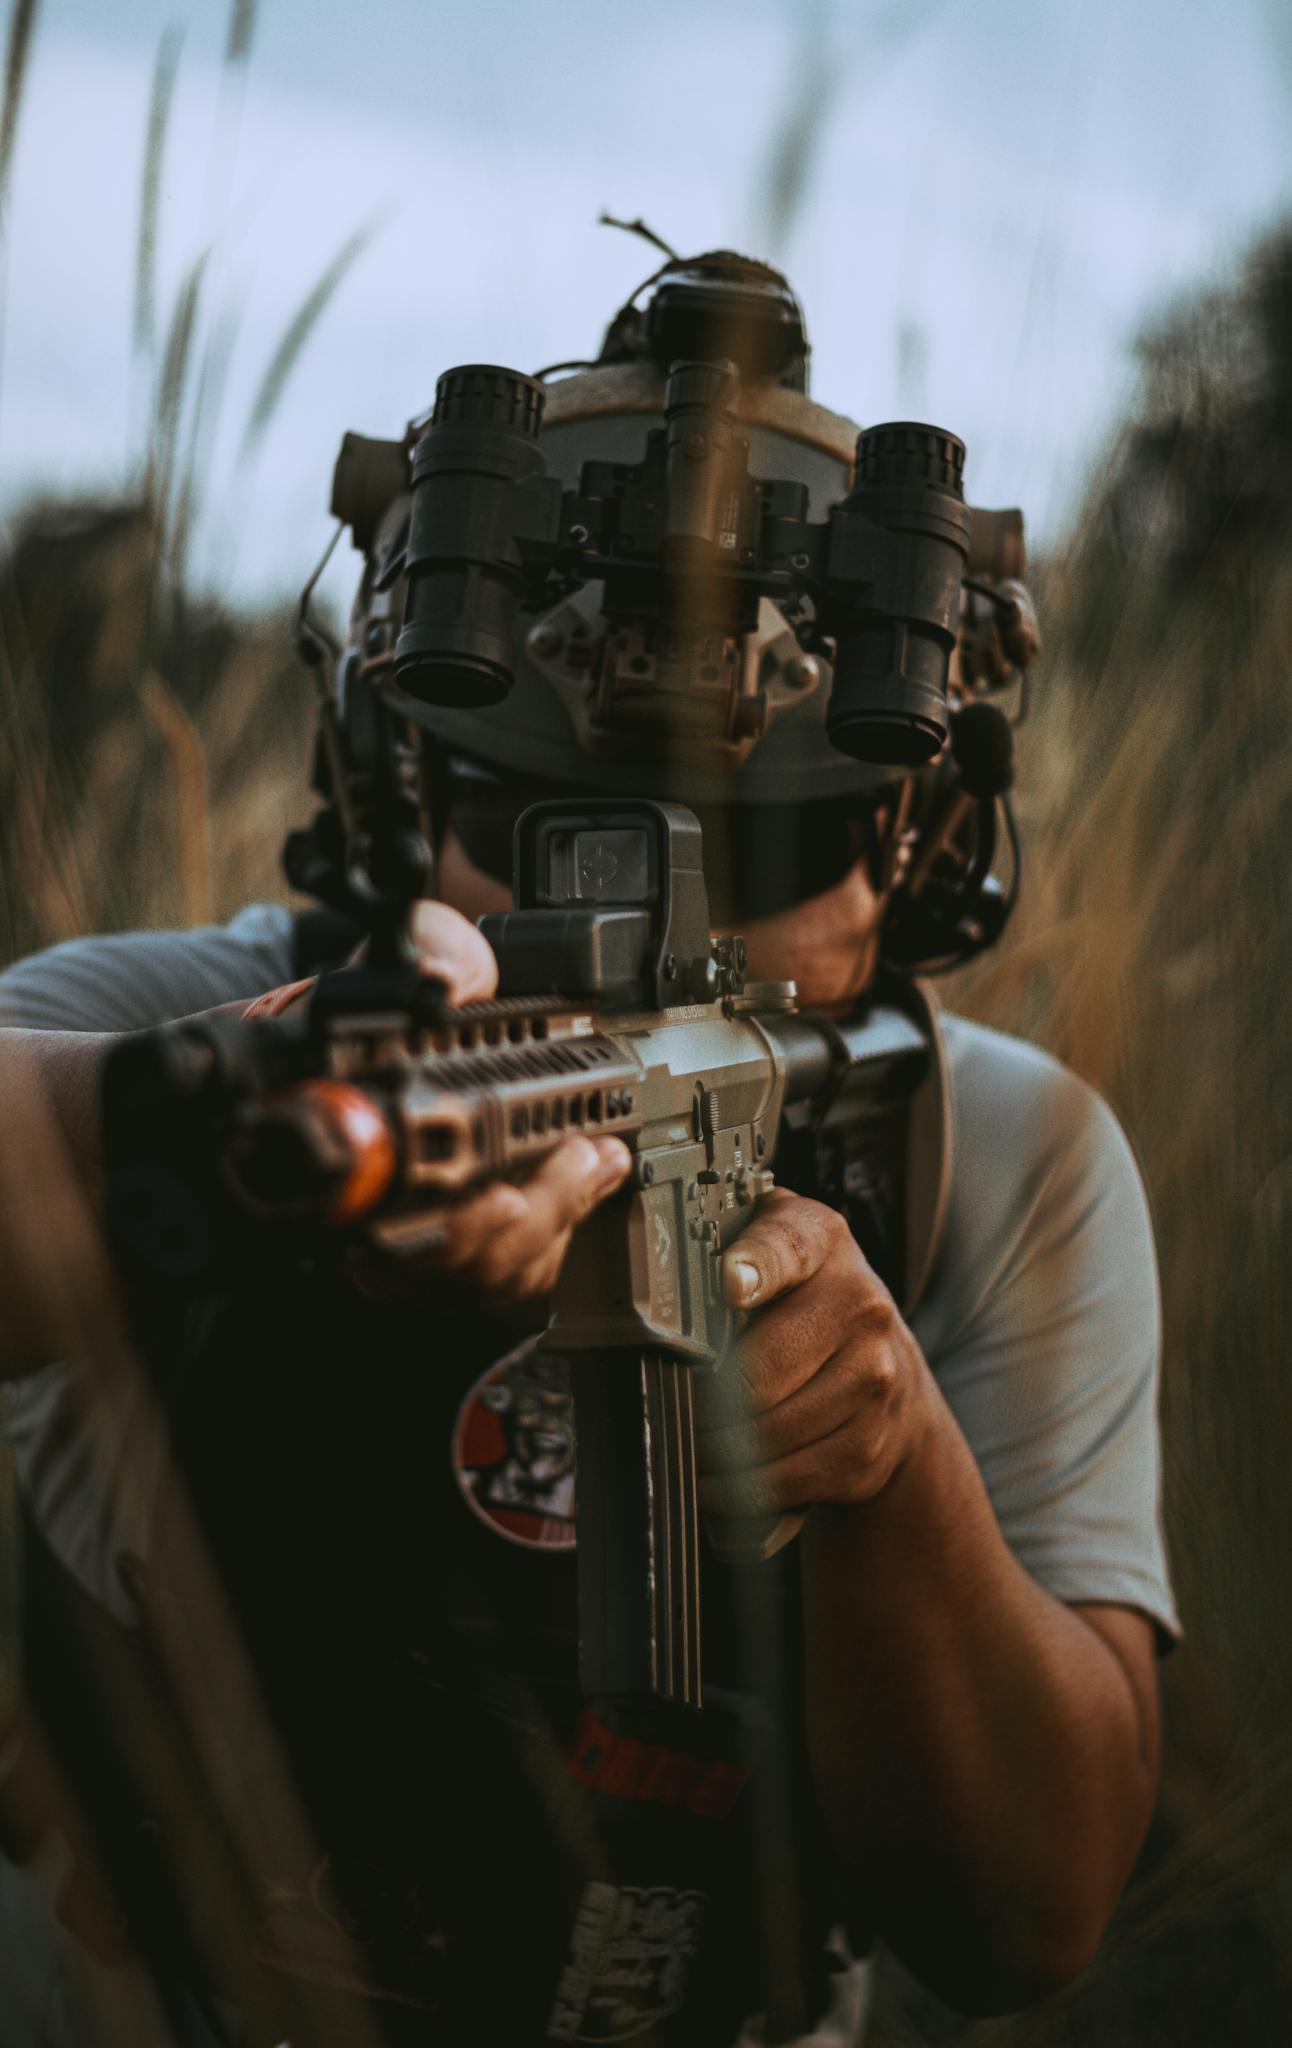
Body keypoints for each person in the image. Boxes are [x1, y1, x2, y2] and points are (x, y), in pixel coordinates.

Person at [0, 251, 1176, 2048]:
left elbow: (1031, 1916)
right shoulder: (172, 1021)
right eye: (532, 825)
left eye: (763, 853)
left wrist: (892, 1459)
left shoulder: (998, 1156)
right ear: (395, 787)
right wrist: (225, 1117)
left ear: (913, 853)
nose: (644, 917)